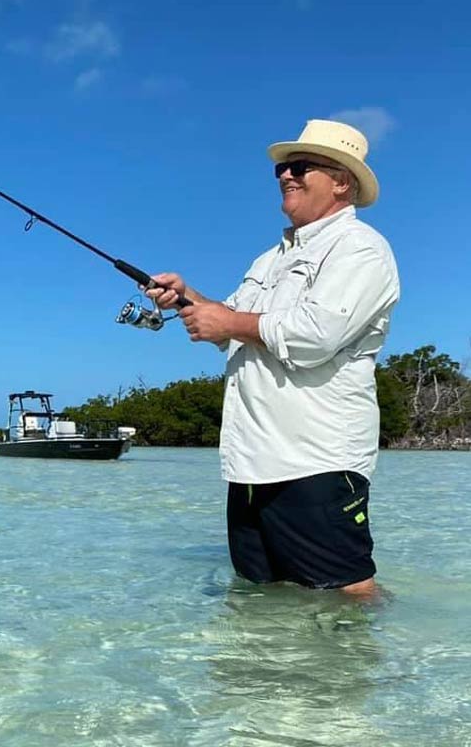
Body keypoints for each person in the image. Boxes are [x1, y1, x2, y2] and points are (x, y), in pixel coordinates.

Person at [147, 119, 400, 598]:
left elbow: (317, 334)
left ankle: (365, 673)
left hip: (317, 460)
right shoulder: (269, 259)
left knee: (348, 595)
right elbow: (233, 322)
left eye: (300, 167)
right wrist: (187, 297)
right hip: (249, 463)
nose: (286, 175)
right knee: (261, 600)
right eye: (282, 168)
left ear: (341, 181)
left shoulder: (361, 249)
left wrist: (228, 323)